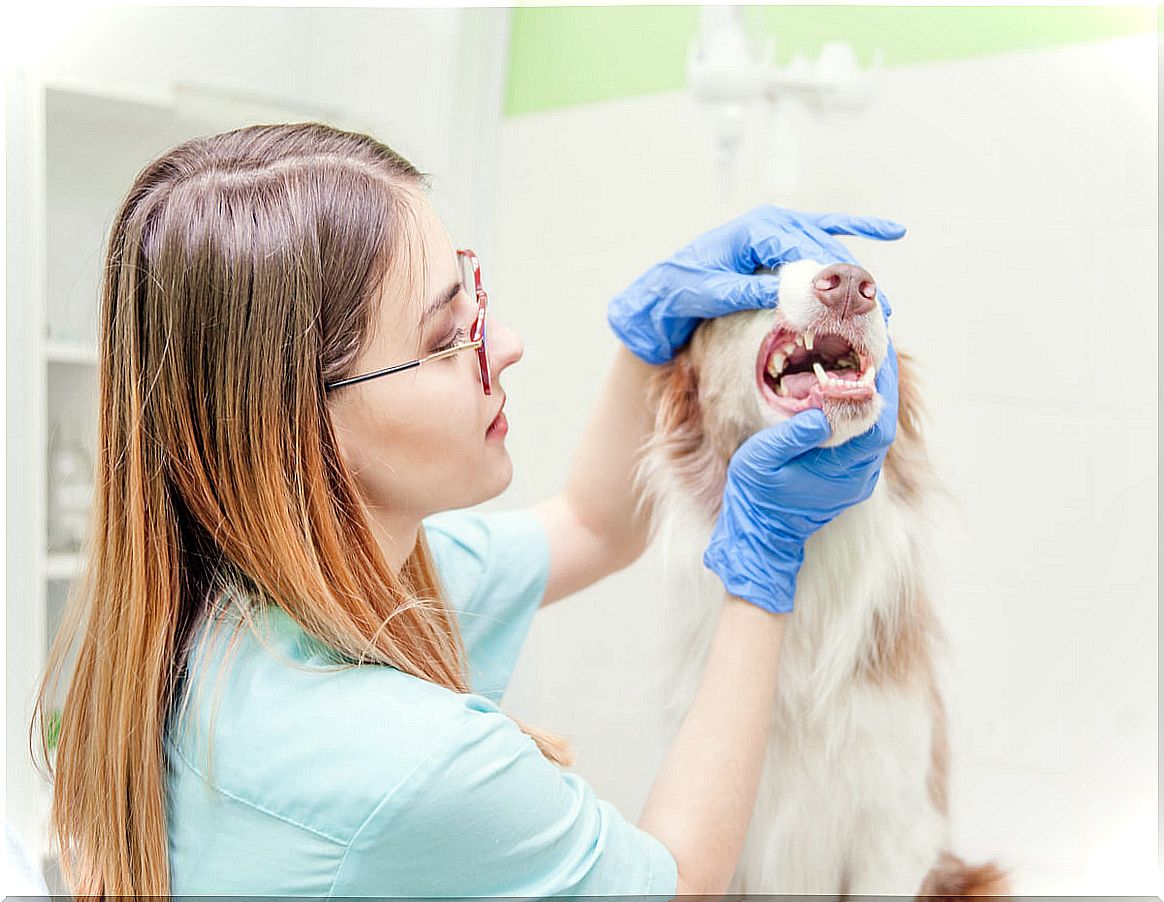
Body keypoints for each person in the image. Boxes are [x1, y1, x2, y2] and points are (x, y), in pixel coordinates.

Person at [33, 122, 905, 897]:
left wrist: (650, 336)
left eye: (472, 297)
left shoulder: (264, 609)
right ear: (301, 429)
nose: (507, 345)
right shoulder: (404, 761)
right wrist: (765, 563)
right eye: (446, 337)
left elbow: (592, 527)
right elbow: (676, 883)